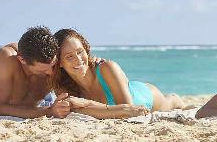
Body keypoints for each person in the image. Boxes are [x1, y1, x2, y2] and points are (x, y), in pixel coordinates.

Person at [50, 28, 185, 119]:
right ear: (60, 62)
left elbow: (130, 110)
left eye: (80, 52)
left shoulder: (107, 68)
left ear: (86, 50)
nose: (78, 60)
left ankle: (174, 98)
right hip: (127, 98)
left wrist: (85, 104)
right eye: (69, 56)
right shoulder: (61, 85)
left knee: (169, 104)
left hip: (144, 95)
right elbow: (73, 110)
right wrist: (84, 106)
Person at [0, 26, 84, 118]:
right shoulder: (7, 58)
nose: (51, 72)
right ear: (22, 60)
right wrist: (49, 111)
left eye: (53, 65)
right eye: (43, 69)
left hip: (38, 100)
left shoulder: (54, 53)